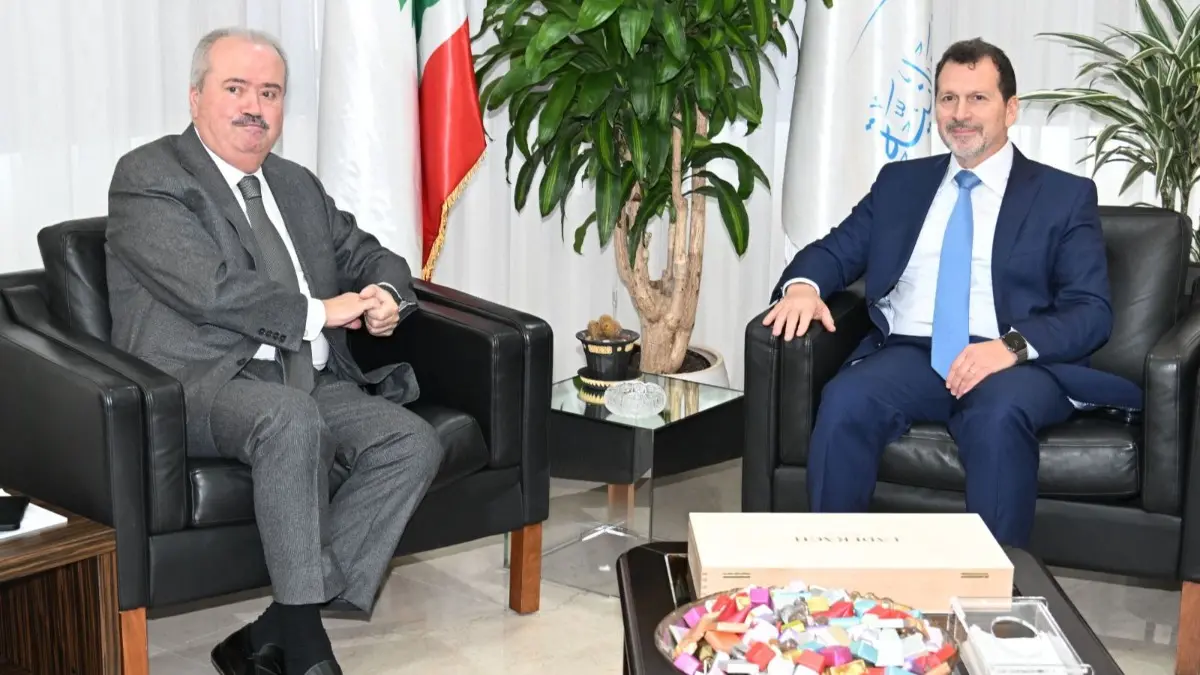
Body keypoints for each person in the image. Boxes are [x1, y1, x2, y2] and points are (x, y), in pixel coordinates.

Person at [105, 27, 446, 675]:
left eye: (270, 93)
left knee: (410, 442)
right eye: (236, 89)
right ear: (196, 96)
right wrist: (322, 311)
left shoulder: (295, 185)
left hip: (309, 378)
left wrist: (385, 294)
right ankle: (307, 652)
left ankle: (279, 626)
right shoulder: (149, 176)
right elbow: (211, 290)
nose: (254, 107)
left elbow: (369, 254)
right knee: (290, 419)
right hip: (203, 382)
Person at [762, 38, 1142, 549]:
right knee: (847, 401)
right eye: (948, 99)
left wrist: (1008, 348)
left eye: (978, 98)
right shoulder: (901, 183)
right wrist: (803, 288)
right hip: (911, 354)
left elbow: (1090, 312)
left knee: (997, 419)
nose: (960, 114)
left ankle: (991, 588)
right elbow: (836, 250)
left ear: (1010, 109)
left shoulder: (1062, 196)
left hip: (1011, 362)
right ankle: (831, 578)